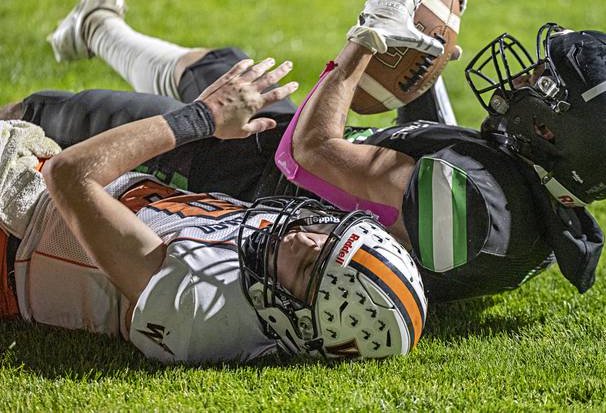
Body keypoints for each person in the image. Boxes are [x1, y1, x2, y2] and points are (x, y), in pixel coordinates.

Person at [9, 0, 606, 302]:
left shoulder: (472, 214)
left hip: (263, 197)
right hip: (300, 180)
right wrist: (427, 69)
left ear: (554, 134)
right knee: (230, 66)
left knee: (56, 114)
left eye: (545, 83)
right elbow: (429, 150)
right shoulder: (539, 195)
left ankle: (78, 48)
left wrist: (367, 40)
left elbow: (312, 154)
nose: (526, 76)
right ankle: (95, 24)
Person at [0, 56, 427, 364]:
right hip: (33, 185)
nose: (303, 237)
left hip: (14, 225)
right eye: (327, 236)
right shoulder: (277, 264)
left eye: (309, 263)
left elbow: (69, 176)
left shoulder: (202, 308)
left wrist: (201, 118)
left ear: (303, 325)